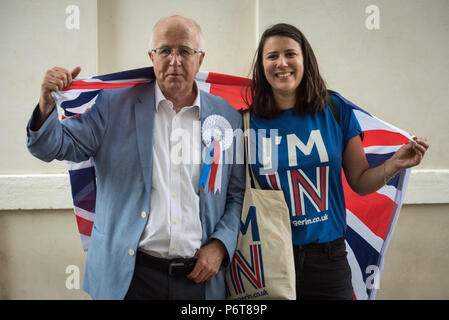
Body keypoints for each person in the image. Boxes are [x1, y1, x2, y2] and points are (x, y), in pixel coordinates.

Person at [26, 15, 244, 300]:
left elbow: (236, 194)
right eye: (165, 50)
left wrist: (220, 245)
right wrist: (45, 105)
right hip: (128, 279)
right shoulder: (113, 105)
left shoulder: (226, 116)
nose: (174, 61)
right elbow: (53, 147)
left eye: (185, 51)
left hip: (199, 281)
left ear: (200, 59)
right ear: (151, 57)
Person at [245, 23, 429, 300]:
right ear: (262, 66)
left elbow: (360, 181)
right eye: (272, 56)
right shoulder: (247, 122)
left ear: (305, 60)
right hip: (270, 258)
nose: (282, 63)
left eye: (290, 54)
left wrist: (394, 164)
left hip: (328, 259)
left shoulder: (334, 109)